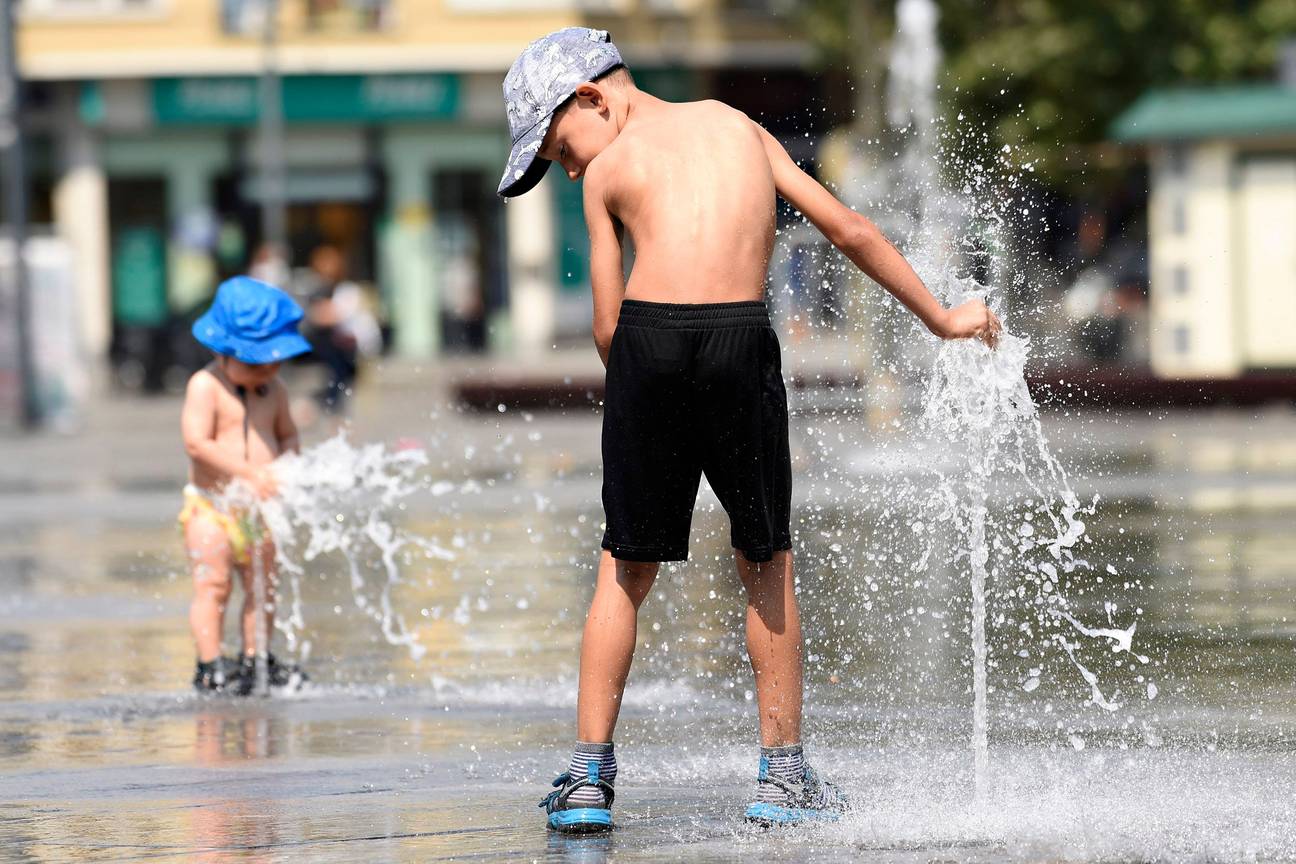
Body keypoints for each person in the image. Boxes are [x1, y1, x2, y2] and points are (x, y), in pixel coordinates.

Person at [498, 28, 1003, 832]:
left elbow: (604, 324)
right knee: (765, 563)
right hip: (741, 337)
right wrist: (942, 318)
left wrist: (643, 386)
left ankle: (588, 778)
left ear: (594, 98)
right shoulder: (740, 129)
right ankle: (784, 777)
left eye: (560, 147)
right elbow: (852, 231)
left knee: (622, 570)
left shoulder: (606, 174)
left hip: (646, 339)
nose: (566, 165)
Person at [180, 276, 311, 693]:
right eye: (256, 362)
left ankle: (258, 655)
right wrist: (250, 472)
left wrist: (289, 466)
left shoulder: (275, 390)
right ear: (223, 351)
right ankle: (210, 661)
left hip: (257, 513)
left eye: (275, 361)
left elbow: (288, 434)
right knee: (213, 584)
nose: (268, 370)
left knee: (262, 585)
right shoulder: (206, 387)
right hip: (212, 510)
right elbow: (196, 443)